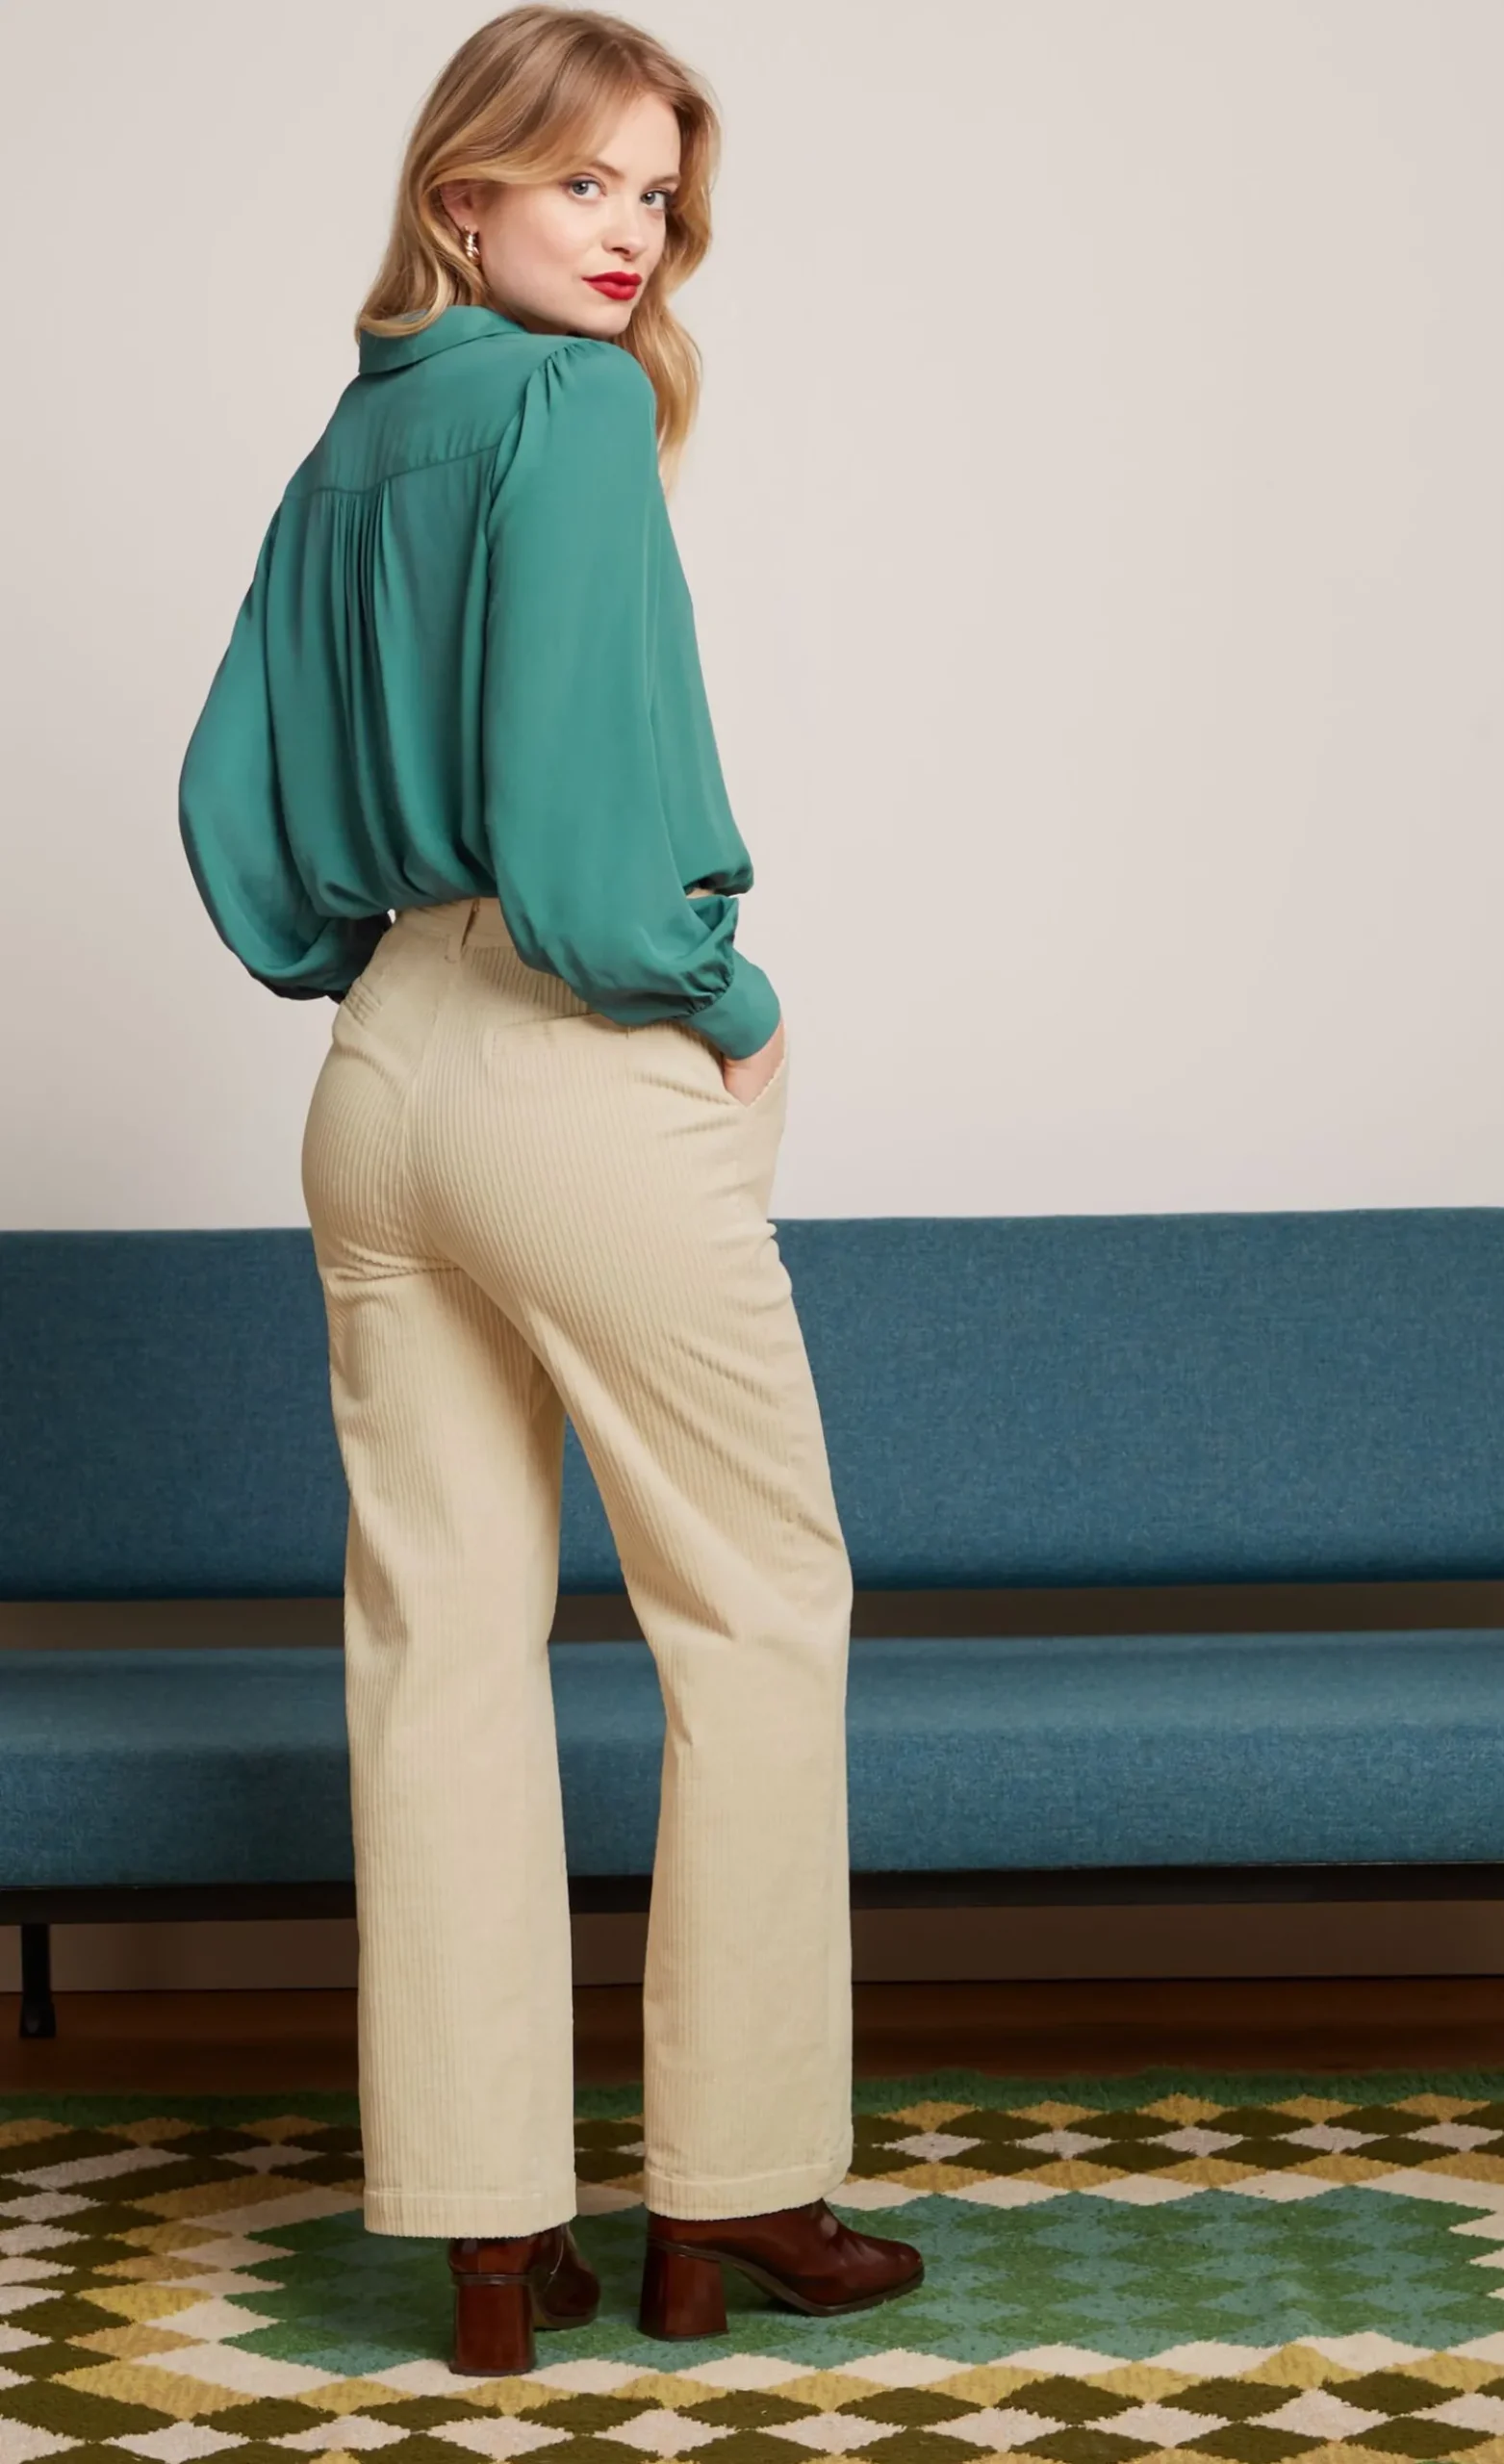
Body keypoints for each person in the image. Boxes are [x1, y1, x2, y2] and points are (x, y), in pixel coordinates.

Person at [176, 0, 924, 2374]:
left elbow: (231, 796)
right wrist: (719, 991)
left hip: (379, 1063)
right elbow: (599, 858)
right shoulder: (571, 410)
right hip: (568, 1048)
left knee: (437, 1642)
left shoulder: (353, 440)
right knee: (755, 1603)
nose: (631, 236)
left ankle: (486, 2236)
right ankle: (736, 2184)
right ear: (462, 189)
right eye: (584, 179)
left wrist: (383, 964)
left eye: (658, 197)